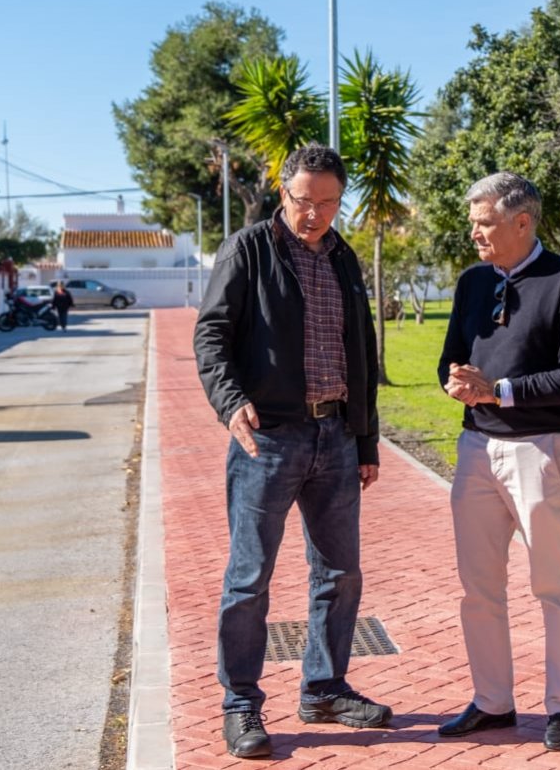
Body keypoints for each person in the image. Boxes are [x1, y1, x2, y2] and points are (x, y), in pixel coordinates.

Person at [193, 143, 391, 760]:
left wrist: (365, 438)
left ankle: (325, 688)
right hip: (268, 440)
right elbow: (211, 333)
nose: (315, 215)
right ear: (284, 193)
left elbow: (361, 352)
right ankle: (241, 704)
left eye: (329, 203)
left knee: (340, 573)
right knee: (249, 578)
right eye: (305, 202)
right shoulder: (248, 249)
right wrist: (230, 403)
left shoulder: (343, 258)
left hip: (334, 437)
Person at [434, 172, 560, 752]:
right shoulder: (471, 281)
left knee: (553, 585)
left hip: (540, 449)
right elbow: (451, 358)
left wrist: (497, 391)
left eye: (485, 222)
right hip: (475, 448)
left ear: (522, 222)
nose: (475, 232)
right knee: (477, 588)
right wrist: (456, 383)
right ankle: (492, 702)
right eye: (473, 222)